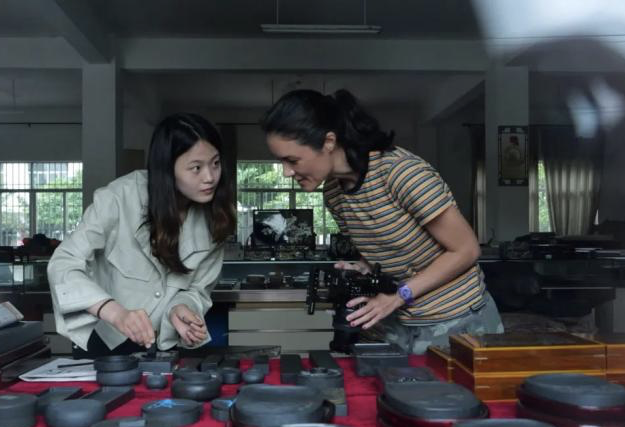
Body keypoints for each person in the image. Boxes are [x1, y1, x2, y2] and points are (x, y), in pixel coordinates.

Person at [260, 89, 503, 354]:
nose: (286, 172)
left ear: (328, 141)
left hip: (457, 319)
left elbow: (466, 250)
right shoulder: (333, 193)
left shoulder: (400, 173)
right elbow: (381, 250)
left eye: (292, 160)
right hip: (399, 322)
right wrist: (363, 267)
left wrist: (399, 296)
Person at [47, 113, 236, 358]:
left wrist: (180, 308)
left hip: (164, 346)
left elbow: (199, 289)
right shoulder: (119, 197)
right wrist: (115, 313)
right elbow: (63, 264)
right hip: (104, 340)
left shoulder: (216, 218)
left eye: (215, 164)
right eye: (196, 168)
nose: (210, 177)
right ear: (167, 168)